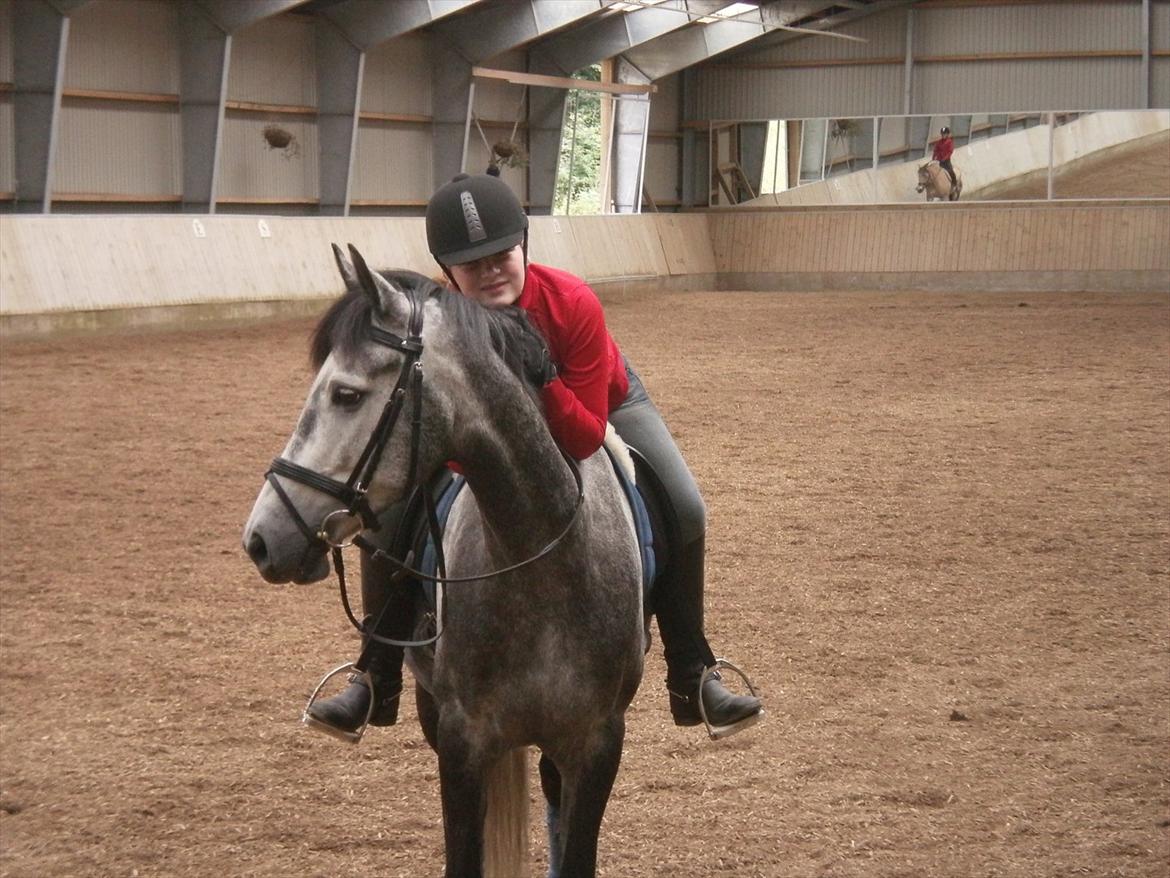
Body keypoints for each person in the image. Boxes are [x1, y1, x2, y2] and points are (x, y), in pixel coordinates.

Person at [304, 170, 764, 742]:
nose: (492, 270)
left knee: (686, 505)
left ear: (524, 243)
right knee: (393, 512)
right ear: (448, 271)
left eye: (502, 253)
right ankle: (372, 676)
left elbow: (584, 437)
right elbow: (449, 437)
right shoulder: (441, 326)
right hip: (492, 433)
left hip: (600, 400)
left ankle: (694, 672)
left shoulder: (572, 302)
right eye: (473, 264)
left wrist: (543, 379)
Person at [932, 126, 958, 194]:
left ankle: (954, 183)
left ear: (947, 134)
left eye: (944, 134)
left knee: (950, 171)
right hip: (939, 161)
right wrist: (934, 157)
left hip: (946, 161)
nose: (943, 135)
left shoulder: (949, 142)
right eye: (942, 134)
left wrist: (944, 158)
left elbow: (950, 151)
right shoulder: (939, 142)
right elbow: (936, 150)